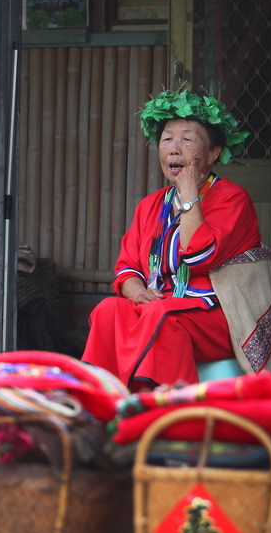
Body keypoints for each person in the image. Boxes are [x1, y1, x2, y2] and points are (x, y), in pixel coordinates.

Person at [81, 86, 259, 389]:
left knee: (159, 315)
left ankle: (163, 408)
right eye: (167, 140)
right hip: (157, 305)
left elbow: (199, 256)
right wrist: (137, 292)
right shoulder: (150, 205)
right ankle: (102, 398)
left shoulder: (233, 199)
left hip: (217, 317)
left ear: (213, 153)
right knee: (108, 311)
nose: (174, 148)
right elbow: (127, 268)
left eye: (187, 139)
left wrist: (189, 195)